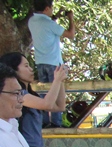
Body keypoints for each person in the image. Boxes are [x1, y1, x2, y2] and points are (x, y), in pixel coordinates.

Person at [0, 52, 66, 147]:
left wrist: (60, 81)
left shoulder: (30, 94)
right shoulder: (20, 96)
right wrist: (56, 80)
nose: (31, 69)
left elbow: (59, 107)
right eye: (26, 66)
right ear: (13, 70)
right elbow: (47, 104)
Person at [27, 0, 74, 128]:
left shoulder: (32, 21)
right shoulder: (49, 23)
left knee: (45, 93)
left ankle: (44, 121)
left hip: (40, 62)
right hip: (54, 63)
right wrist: (71, 18)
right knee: (57, 92)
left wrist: (55, 18)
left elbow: (47, 29)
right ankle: (56, 122)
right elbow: (71, 35)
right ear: (47, 8)